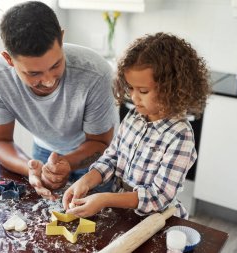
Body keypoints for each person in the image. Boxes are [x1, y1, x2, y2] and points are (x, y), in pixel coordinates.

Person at [62, 32, 211, 219]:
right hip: (123, 214)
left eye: (143, 91)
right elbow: (112, 157)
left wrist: (105, 200)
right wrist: (86, 180)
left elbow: (159, 196)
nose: (133, 97)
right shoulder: (134, 116)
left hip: (156, 220)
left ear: (171, 89)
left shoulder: (180, 136)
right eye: (130, 88)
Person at [0, 1, 118, 200]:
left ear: (61, 38)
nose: (48, 81)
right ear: (9, 59)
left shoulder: (95, 73)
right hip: (43, 153)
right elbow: (0, 141)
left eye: (56, 65)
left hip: (97, 160)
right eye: (34, 73)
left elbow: (99, 141)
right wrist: (30, 169)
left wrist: (67, 163)